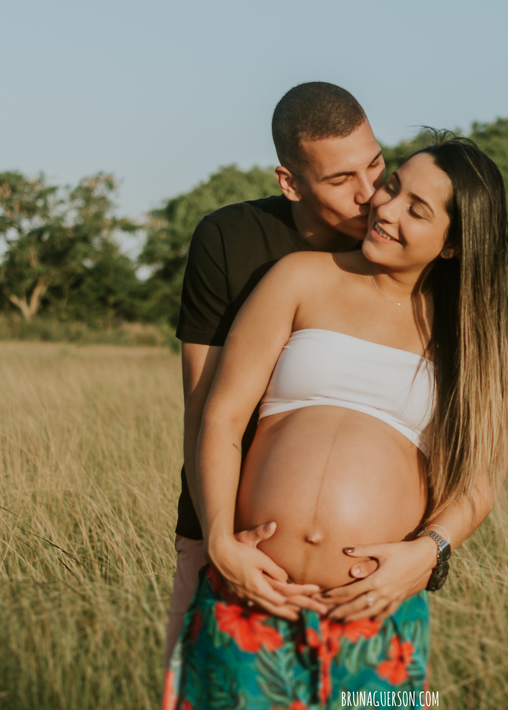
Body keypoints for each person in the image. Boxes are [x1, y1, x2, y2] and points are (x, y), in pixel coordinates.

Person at [164, 135, 508, 708]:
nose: (386, 209)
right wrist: (221, 542)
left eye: (416, 210)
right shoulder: (301, 277)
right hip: (253, 595)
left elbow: (481, 480)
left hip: (378, 615)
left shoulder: (466, 339)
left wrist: (428, 554)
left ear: (452, 245)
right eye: (392, 187)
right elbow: (221, 416)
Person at [166, 82, 391, 663]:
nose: (369, 195)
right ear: (289, 182)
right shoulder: (229, 239)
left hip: (370, 586)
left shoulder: (404, 247)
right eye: (341, 180)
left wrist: (431, 553)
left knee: (383, 706)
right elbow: (203, 404)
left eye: (376, 165)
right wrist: (217, 541)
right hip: (235, 548)